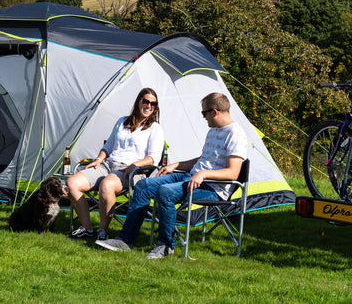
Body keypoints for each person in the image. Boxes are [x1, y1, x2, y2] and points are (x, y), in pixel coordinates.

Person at [96, 92, 247, 259]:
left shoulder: (235, 134)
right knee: (144, 185)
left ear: (215, 111)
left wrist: (203, 174)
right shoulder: (213, 131)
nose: (203, 117)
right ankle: (125, 240)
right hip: (192, 178)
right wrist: (176, 165)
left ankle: (166, 244)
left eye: (204, 113)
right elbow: (203, 160)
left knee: (165, 192)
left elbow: (233, 172)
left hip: (213, 188)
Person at [66, 88, 165, 241]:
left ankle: (102, 231)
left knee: (106, 185)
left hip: (131, 171)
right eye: (146, 101)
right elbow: (108, 147)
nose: (149, 106)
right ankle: (87, 228)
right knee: (72, 182)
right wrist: (98, 159)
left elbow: (153, 158)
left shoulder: (155, 129)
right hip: (107, 164)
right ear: (138, 102)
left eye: (153, 103)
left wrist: (134, 164)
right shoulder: (122, 121)